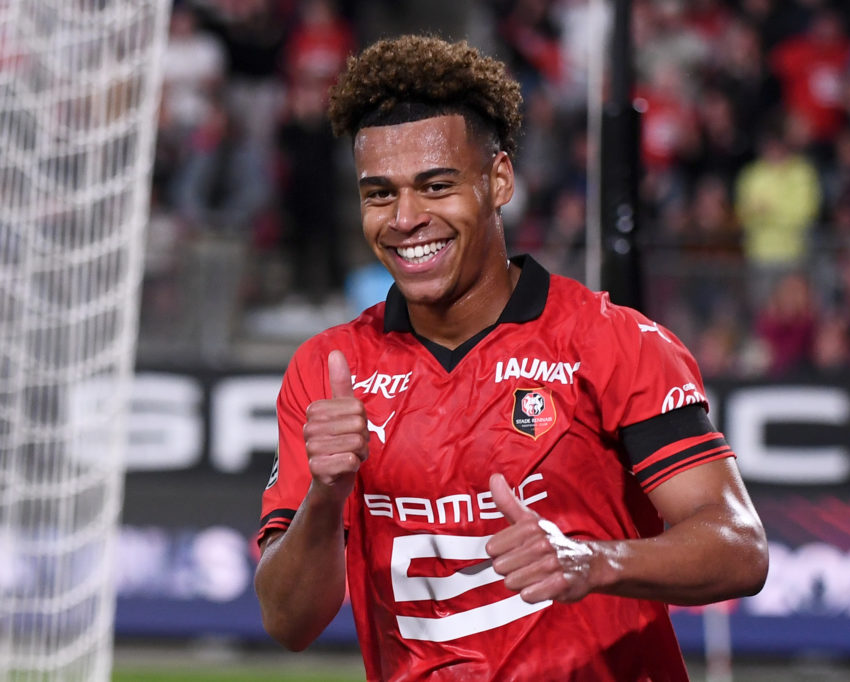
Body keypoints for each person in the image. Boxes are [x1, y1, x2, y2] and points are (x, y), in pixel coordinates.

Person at [253, 34, 768, 681]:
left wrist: (595, 562)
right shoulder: (328, 370)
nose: (405, 218)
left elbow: (741, 548)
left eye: (435, 186)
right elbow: (288, 622)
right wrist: (327, 495)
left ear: (498, 181)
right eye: (380, 194)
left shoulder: (614, 343)